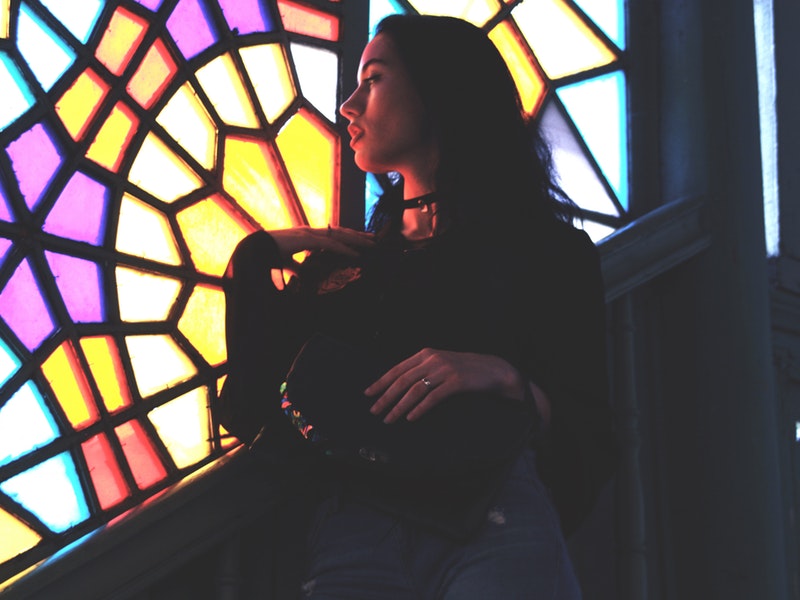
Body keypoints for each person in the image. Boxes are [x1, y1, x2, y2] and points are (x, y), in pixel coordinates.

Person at [218, 13, 617, 599]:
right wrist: (253, 260)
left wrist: (506, 378)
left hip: (495, 519)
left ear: (441, 90)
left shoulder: (546, 251)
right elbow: (250, 407)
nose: (347, 106)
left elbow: (590, 426)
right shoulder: (347, 272)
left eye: (372, 80)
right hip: (353, 535)